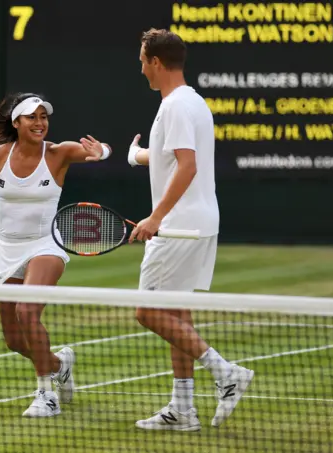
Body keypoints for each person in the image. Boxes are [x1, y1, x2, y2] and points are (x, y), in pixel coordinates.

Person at [0, 92, 112, 418]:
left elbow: (99, 150)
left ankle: (46, 394)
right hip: (7, 249)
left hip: (46, 245)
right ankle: (60, 364)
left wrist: (100, 151)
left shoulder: (59, 153)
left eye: (43, 117)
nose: (39, 123)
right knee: (15, 340)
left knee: (27, 311)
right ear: (16, 122)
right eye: (32, 117)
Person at [127, 28, 254, 431]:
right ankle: (183, 409)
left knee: (148, 312)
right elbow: (170, 158)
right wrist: (136, 156)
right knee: (177, 314)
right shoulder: (192, 102)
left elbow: (188, 166)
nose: (141, 66)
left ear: (157, 62)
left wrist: (156, 217)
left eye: (144, 59)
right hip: (198, 221)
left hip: (179, 226)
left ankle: (226, 372)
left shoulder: (177, 106)